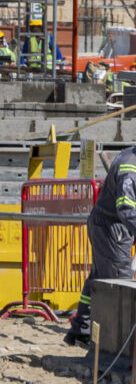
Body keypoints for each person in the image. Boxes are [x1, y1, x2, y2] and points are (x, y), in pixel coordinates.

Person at [67, 143, 136, 345]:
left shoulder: (130, 156)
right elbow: (126, 207)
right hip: (112, 228)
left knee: (99, 278)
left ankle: (82, 330)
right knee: (118, 283)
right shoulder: (130, 167)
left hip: (106, 224)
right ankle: (115, 342)